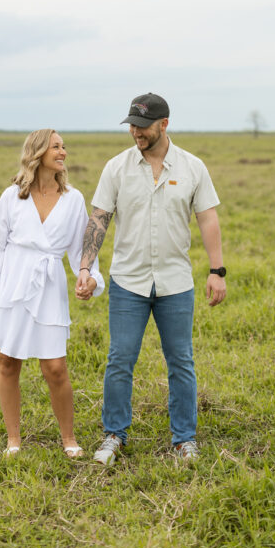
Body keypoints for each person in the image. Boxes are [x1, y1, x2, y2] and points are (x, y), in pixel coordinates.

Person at [75, 93, 226, 464]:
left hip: (176, 283)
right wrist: (84, 267)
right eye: (132, 125)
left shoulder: (192, 167)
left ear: (164, 124)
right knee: (119, 359)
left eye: (142, 126)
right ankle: (114, 435)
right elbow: (99, 219)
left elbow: (208, 218)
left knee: (181, 361)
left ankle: (184, 440)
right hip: (129, 281)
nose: (135, 132)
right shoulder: (117, 167)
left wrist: (216, 270)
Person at [0, 129, 104, 457]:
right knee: (7, 362)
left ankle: (68, 439)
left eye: (64, 146)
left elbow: (80, 248)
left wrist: (90, 277)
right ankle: (14, 440)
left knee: (55, 367)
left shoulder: (73, 200)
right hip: (11, 286)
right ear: (38, 152)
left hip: (49, 288)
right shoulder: (11, 197)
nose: (63, 152)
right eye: (56, 146)